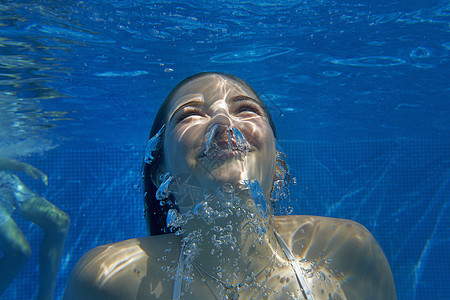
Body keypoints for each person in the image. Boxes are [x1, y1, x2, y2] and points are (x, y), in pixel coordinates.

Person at [64, 72, 397, 299]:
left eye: (247, 110)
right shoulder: (109, 281)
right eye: (190, 114)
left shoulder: (348, 252)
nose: (223, 121)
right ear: (160, 172)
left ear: (278, 166)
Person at [0, 157, 70, 300]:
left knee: (60, 223)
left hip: (3, 180)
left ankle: (45, 298)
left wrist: (23, 166)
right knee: (19, 251)